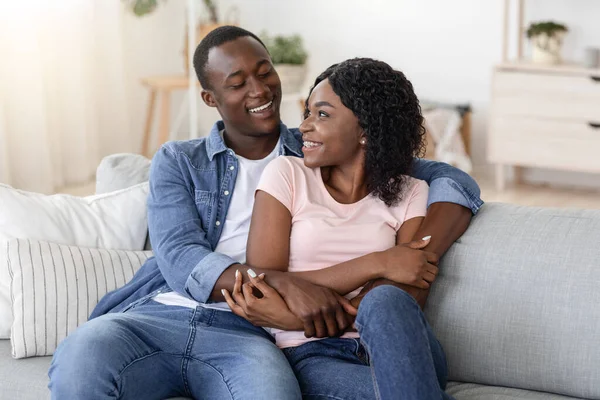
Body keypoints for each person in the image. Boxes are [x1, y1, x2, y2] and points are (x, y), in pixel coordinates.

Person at [48, 26, 483, 399]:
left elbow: (450, 178)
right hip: (165, 313)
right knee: (83, 357)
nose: (259, 90)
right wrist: (281, 285)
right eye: (237, 83)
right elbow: (181, 257)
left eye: (264, 72)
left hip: (250, 336)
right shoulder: (180, 160)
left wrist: (415, 255)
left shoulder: (314, 148)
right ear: (209, 97)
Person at [224, 58, 452, 399]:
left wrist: (298, 319)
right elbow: (263, 282)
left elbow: (408, 290)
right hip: (313, 355)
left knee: (386, 299)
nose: (304, 126)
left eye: (322, 114)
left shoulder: (412, 191)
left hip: (405, 347)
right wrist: (378, 263)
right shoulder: (287, 175)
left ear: (365, 130)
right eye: (306, 113)